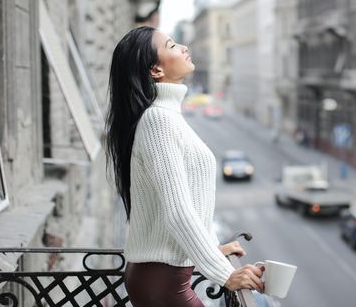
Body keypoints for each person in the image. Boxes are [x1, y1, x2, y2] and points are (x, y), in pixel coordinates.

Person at [105, 26, 264, 307]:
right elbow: (177, 211)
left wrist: (213, 252)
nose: (184, 48)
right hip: (162, 282)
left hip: (164, 277)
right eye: (172, 45)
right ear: (155, 70)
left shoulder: (167, 116)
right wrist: (226, 274)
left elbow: (194, 202)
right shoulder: (158, 121)